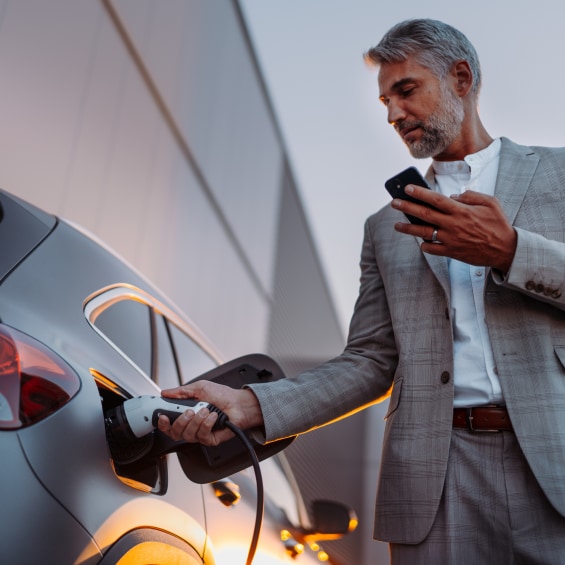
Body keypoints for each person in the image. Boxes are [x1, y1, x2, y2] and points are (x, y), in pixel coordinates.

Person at [158, 19, 565, 564]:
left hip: (554, 462)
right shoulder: (385, 227)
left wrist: (510, 250)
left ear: (461, 79)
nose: (394, 114)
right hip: (437, 484)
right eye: (384, 102)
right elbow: (370, 362)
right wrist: (248, 404)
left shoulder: (558, 178)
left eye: (406, 91)